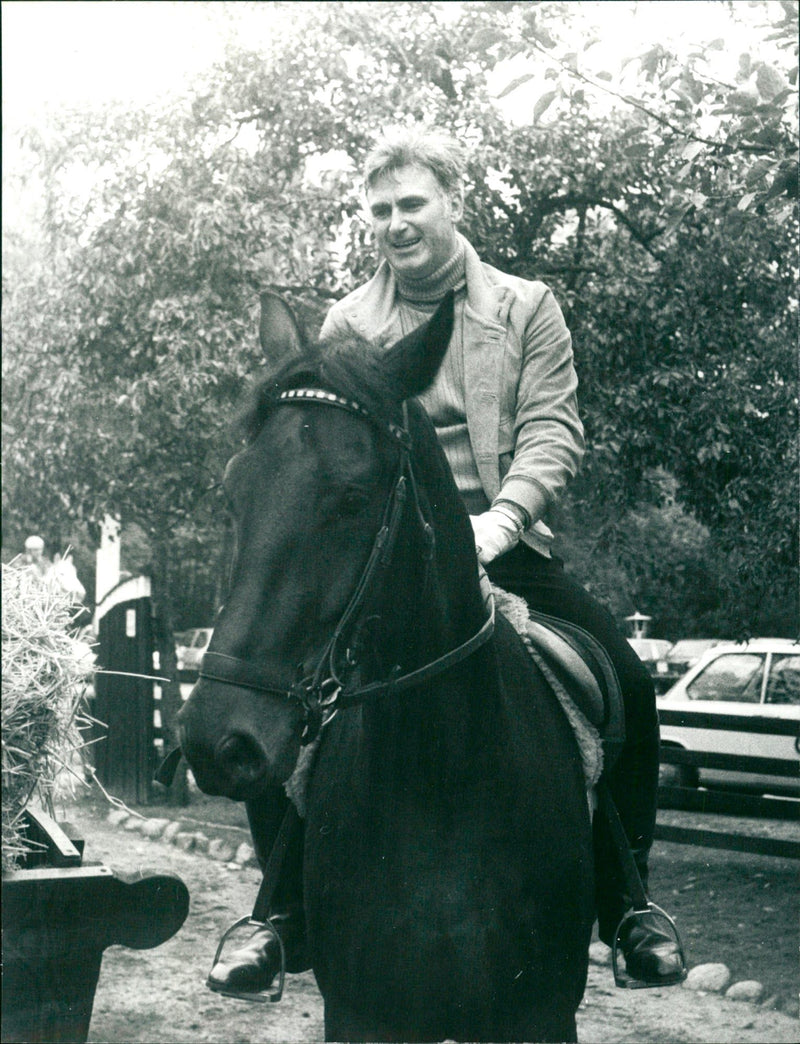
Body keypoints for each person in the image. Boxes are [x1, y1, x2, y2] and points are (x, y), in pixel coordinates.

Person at [209, 126, 683, 993]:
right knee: (281, 686)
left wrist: (500, 524)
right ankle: (279, 912)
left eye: (412, 203)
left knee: (623, 673)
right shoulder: (350, 322)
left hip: (505, 546)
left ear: (454, 203)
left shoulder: (526, 307)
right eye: (380, 209)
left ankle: (627, 901)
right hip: (387, 559)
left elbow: (551, 430)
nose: (396, 223)